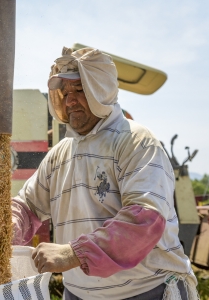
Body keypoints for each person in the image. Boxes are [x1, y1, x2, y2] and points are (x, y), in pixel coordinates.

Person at [11, 47, 199, 299]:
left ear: (101, 89)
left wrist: (72, 253)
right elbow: (27, 206)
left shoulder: (136, 141)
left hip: (147, 291)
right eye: (65, 93)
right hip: (78, 294)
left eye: (78, 90)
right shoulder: (60, 154)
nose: (69, 101)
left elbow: (144, 220)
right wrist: (9, 228)